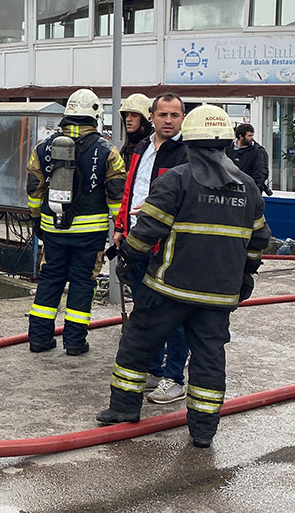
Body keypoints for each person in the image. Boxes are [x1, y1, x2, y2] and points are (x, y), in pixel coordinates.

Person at [96, 104, 270, 449]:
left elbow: (146, 231)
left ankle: (123, 409)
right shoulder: (248, 187)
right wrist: (245, 278)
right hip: (218, 295)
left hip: (169, 288)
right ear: (226, 144)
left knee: (138, 343)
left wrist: (127, 258)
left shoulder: (175, 180)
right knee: (209, 358)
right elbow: (258, 241)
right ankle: (203, 431)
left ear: (187, 141)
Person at [25, 89, 126, 356]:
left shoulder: (43, 147)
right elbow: (117, 197)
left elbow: (34, 190)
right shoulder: (107, 151)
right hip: (90, 235)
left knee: (50, 279)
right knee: (82, 283)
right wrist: (120, 230)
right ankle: (75, 342)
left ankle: (38, 339)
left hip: (53, 228)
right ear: (95, 116)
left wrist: (37, 221)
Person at [113, 92, 191, 404]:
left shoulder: (185, 153)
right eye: (163, 115)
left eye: (174, 115)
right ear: (152, 117)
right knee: (145, 310)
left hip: (167, 247)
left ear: (182, 117)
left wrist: (155, 208)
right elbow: (129, 189)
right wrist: (121, 227)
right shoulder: (141, 148)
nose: (168, 120)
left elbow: (184, 199)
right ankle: (155, 370)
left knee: (172, 315)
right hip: (137, 241)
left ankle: (174, 377)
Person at [225, 123, 272, 196]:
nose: (252, 138)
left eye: (252, 135)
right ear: (241, 136)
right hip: (228, 191)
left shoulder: (258, 151)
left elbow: (261, 173)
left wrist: (253, 188)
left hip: (249, 193)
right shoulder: (227, 149)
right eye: (249, 136)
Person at [118, 93, 153, 167]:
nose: (128, 119)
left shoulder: (154, 146)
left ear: (145, 119)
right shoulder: (126, 147)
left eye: (134, 115)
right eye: (126, 115)